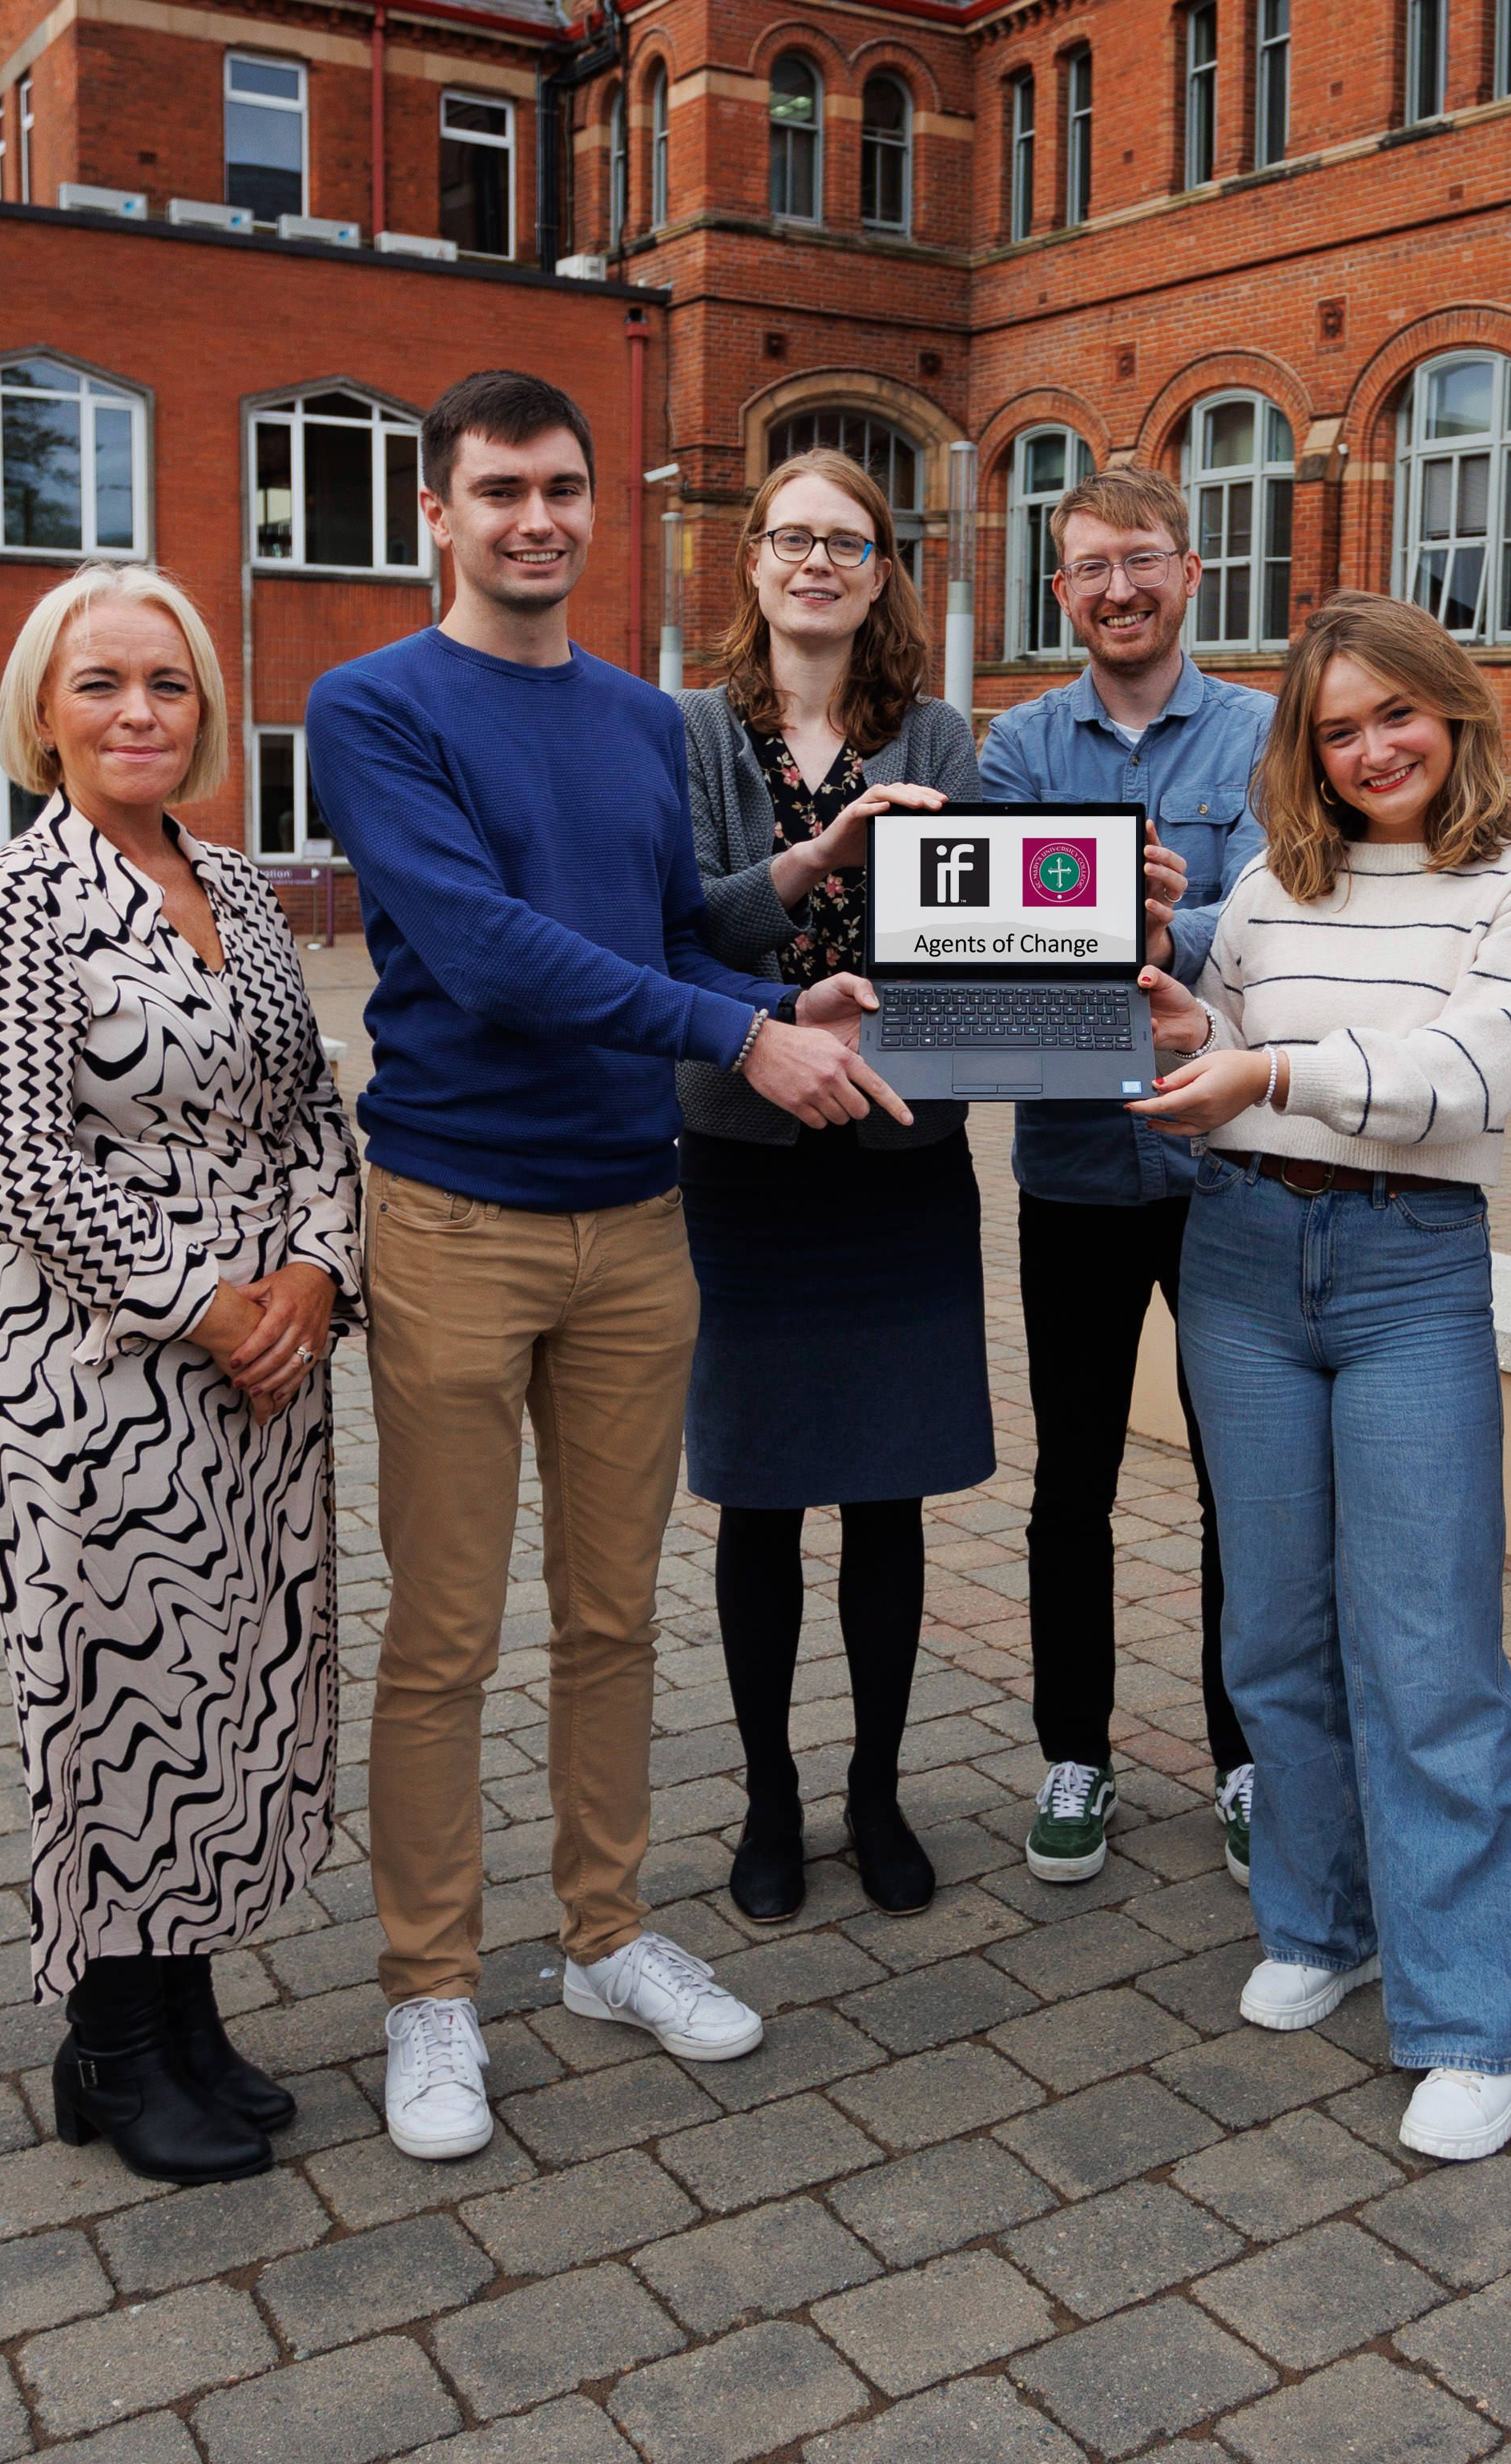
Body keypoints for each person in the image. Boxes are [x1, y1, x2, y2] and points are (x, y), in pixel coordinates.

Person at [305, 371, 909, 2164]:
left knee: (611, 1610)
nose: (538, 519)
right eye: (501, 490)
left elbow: (651, 929)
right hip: (455, 1223)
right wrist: (739, 1040)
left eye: (564, 488)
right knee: (439, 1633)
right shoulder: (372, 704)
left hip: (634, 1224)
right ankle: (429, 1985)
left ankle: (603, 1933)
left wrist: (786, 911)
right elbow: (489, 951)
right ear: (440, 510)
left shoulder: (649, 723)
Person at [1131, 591, 1511, 2163]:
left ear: (1456, 711)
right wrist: (1181, 1025)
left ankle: (1478, 2018)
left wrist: (1260, 1072)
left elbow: (1473, 1076)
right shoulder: (1274, 880)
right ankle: (1323, 1920)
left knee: (1428, 1646)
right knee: (1274, 1624)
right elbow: (1227, 1037)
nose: (1374, 745)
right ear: (1306, 750)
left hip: (1407, 1269)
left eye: (1399, 711)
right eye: (1339, 726)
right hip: (1243, 1256)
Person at [0, 561, 358, 2186]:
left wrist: (316, 1271)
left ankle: (182, 2010)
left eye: (166, 684)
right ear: (44, 709)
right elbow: (15, 1167)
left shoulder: (240, 886)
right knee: (114, 1700)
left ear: (207, 710)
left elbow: (313, 1107)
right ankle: (111, 2043)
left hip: (265, 1368)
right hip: (93, 1381)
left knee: (229, 1694)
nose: (137, 711)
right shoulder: (7, 901)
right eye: (101, 682)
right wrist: (215, 1305)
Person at [674, 447, 989, 1926]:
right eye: (792, 538)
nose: (817, 563)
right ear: (752, 561)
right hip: (745, 1165)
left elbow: (977, 952)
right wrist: (825, 857)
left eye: (847, 544)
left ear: (881, 573)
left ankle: (874, 1788)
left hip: (898, 1160)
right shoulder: (681, 735)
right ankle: (770, 1797)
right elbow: (678, 933)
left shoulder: (937, 727)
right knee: (759, 1497)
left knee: (887, 1493)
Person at [977, 463, 1271, 1887]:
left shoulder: (1269, 737)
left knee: (1244, 1479)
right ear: (1061, 591)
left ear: (1189, 571)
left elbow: (1290, 933)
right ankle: (1074, 1751)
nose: (1117, 590)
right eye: (1089, 568)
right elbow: (992, 970)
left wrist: (1172, 915)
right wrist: (1123, 926)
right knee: (1071, 1481)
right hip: (1080, 1172)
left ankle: (1246, 1757)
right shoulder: (1019, 749)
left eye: (1141, 560)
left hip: (1230, 1174)